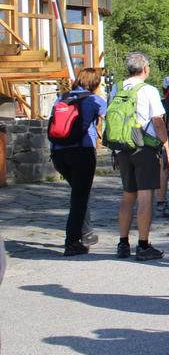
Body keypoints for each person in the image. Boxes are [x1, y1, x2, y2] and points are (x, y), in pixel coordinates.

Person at [108, 51, 169, 261]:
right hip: (143, 147)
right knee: (145, 196)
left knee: (127, 196)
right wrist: (167, 148)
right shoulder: (149, 90)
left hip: (122, 147)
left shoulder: (116, 87)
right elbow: (158, 122)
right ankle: (143, 245)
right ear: (145, 69)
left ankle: (122, 243)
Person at [49, 67, 106, 256]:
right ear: (95, 83)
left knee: (79, 194)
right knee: (80, 198)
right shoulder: (95, 100)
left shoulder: (62, 98)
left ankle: (86, 233)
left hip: (58, 152)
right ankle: (72, 242)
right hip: (81, 152)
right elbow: (106, 118)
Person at [155, 76, 169, 218]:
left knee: (155, 170)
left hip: (151, 137)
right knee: (165, 170)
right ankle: (161, 202)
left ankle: (157, 201)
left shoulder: (159, 102)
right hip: (167, 136)